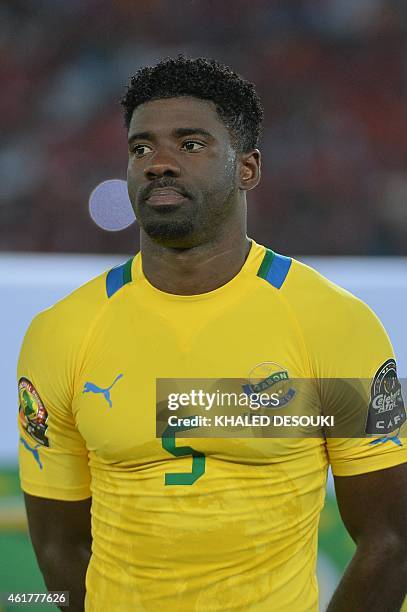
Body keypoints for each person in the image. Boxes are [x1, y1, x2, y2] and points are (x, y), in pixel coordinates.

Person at [18, 55, 407, 612]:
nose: (158, 164)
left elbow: (393, 538)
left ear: (247, 169)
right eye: (141, 148)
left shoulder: (334, 325)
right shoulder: (61, 333)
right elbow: (58, 547)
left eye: (191, 144)